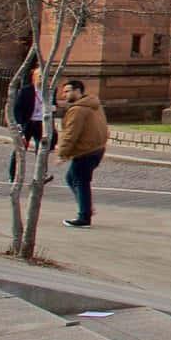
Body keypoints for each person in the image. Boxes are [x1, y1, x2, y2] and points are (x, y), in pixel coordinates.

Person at [53, 79, 110, 228]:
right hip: (96, 148)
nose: (64, 95)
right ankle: (86, 208)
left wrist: (62, 154)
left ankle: (84, 217)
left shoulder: (78, 110)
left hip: (86, 151)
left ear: (77, 91)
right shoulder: (94, 104)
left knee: (80, 181)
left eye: (67, 91)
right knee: (72, 178)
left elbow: (71, 134)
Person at [8, 54, 45, 183]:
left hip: (41, 124)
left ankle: (41, 176)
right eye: (39, 76)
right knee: (20, 149)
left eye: (44, 76)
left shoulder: (49, 91)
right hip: (28, 123)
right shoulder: (26, 91)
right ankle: (13, 175)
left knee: (42, 151)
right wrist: (18, 123)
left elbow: (53, 106)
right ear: (34, 77)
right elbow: (17, 108)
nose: (42, 79)